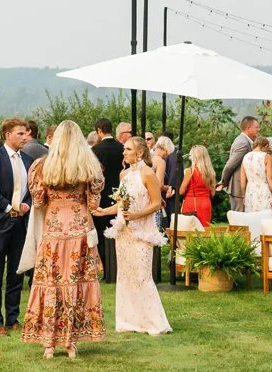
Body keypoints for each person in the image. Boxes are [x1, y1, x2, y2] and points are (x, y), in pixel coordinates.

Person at [21, 121, 106, 358]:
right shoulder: (89, 165)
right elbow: (94, 204)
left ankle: (49, 342)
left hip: (54, 230)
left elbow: (38, 202)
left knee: (52, 283)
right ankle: (72, 342)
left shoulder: (42, 166)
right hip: (79, 228)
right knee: (77, 284)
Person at [109, 136, 171, 335]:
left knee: (142, 275)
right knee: (126, 276)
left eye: (128, 149)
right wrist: (103, 210)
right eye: (124, 149)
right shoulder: (123, 175)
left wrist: (136, 215)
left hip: (142, 232)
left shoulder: (148, 174)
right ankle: (129, 321)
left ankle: (153, 322)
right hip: (124, 234)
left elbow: (156, 202)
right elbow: (121, 203)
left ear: (140, 152)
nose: (124, 152)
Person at [0, 120, 35, 333]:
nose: (24, 137)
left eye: (26, 133)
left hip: (20, 223)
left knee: (16, 273)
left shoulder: (28, 160)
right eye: (20, 133)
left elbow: (31, 190)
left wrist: (26, 205)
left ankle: (13, 317)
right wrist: (10, 207)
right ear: (8, 134)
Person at [88, 119, 124, 281]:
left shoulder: (95, 150)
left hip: (102, 197)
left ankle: (107, 269)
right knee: (119, 231)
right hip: (120, 195)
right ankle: (119, 266)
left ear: (99, 130)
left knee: (102, 234)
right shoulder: (122, 148)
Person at [220, 116, 259, 211]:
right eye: (256, 127)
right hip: (238, 189)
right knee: (239, 219)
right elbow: (230, 166)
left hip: (240, 188)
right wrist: (223, 182)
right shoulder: (243, 143)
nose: (258, 129)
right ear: (248, 128)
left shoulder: (244, 141)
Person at [177, 144, 215, 231]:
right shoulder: (210, 172)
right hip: (206, 203)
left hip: (191, 203)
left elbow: (181, 191)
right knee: (204, 230)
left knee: (190, 230)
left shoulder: (190, 171)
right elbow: (212, 193)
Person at [241, 136, 272, 218]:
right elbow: (270, 178)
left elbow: (243, 181)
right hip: (263, 190)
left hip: (250, 191)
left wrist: (243, 195)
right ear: (265, 146)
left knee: (251, 218)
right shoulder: (266, 156)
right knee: (264, 218)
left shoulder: (245, 157)